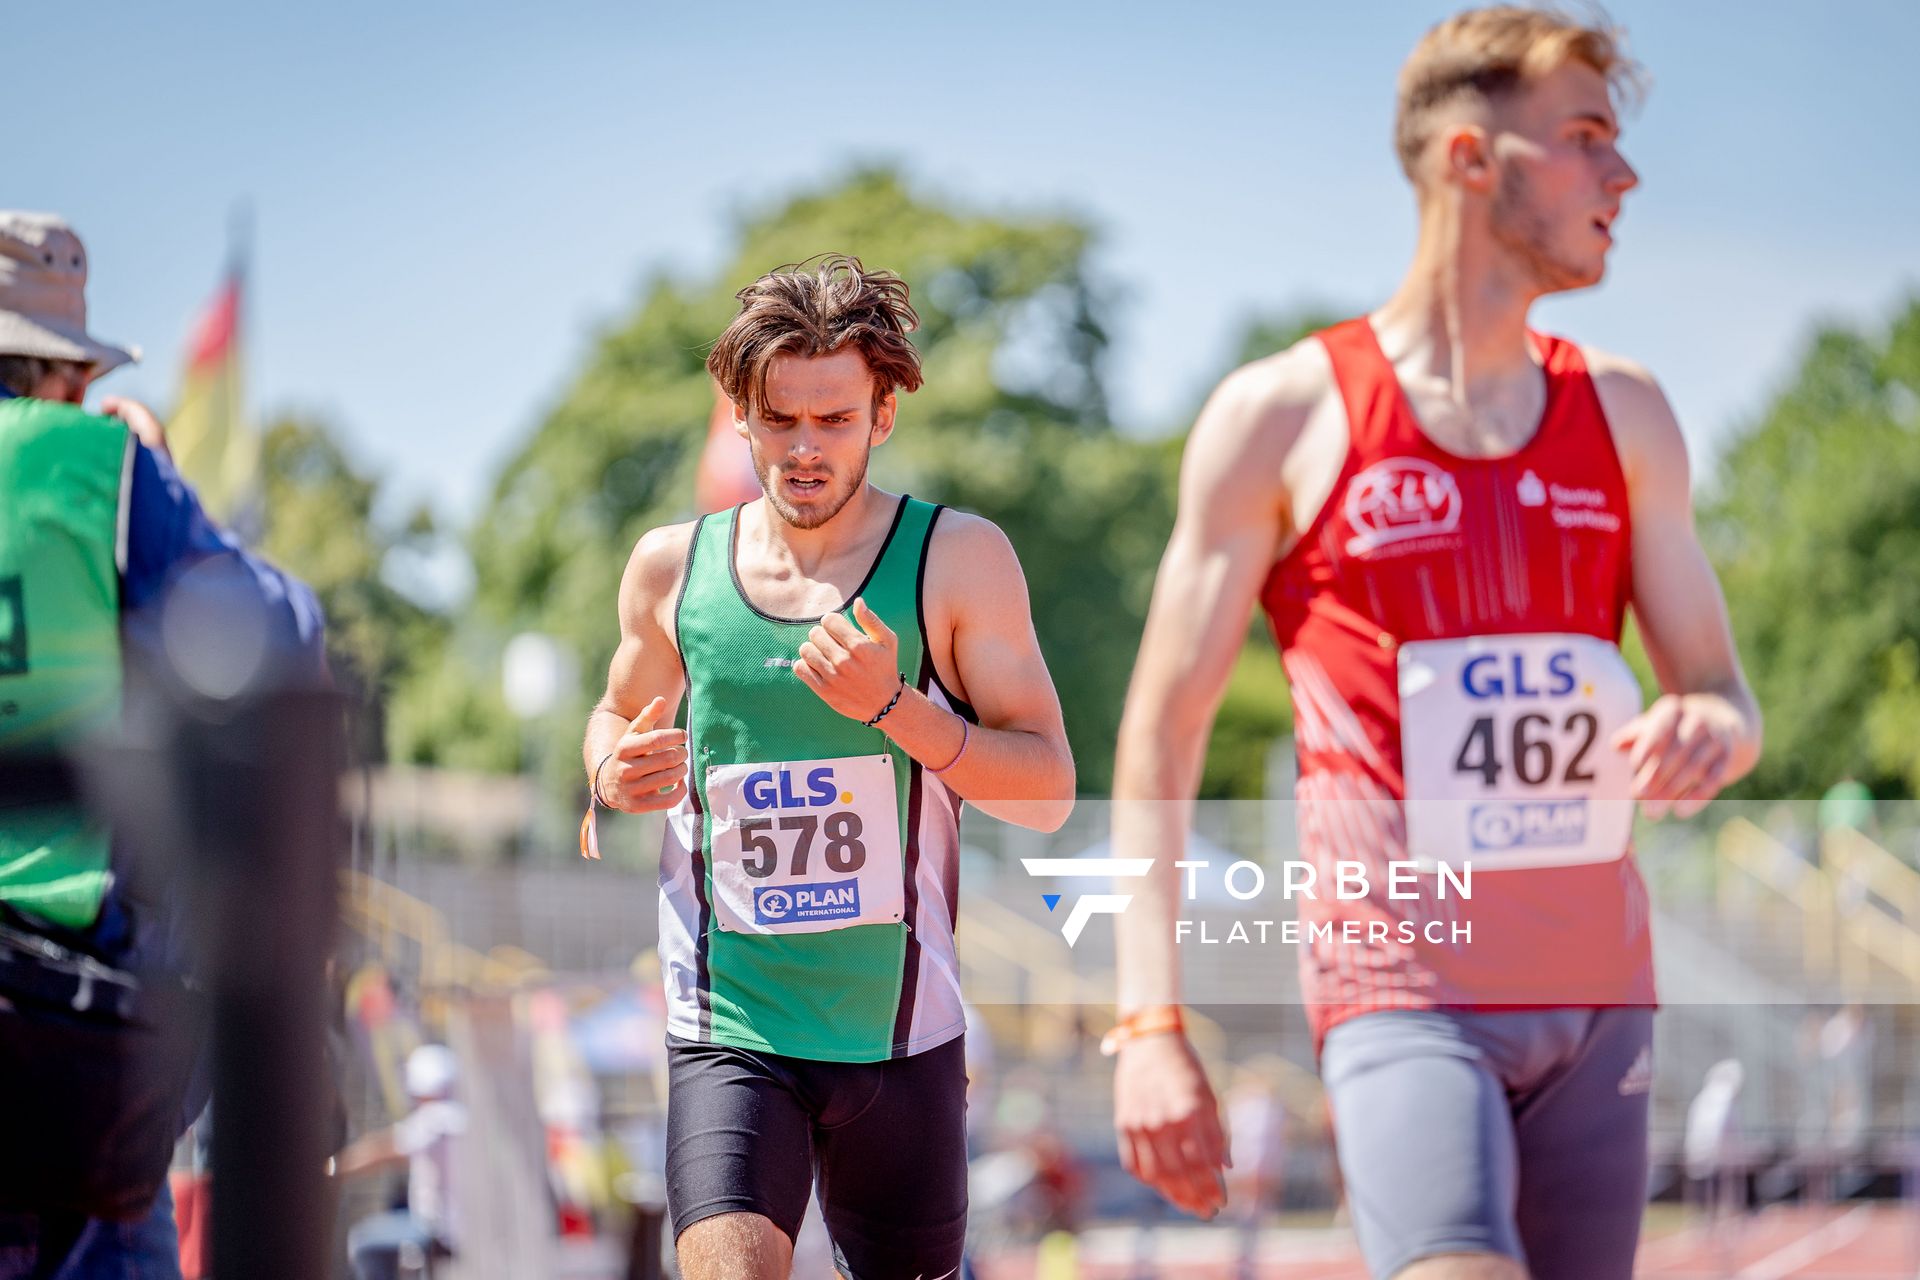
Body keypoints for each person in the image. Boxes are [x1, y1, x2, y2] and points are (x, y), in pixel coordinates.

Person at [1105, 10, 1762, 1279]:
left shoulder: (1626, 412)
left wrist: (1712, 727)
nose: (1623, 176)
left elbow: (1724, 691)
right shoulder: (1283, 415)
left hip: (1598, 996)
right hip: (1403, 982)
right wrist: (1147, 1020)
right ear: (1471, 158)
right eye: (1583, 140)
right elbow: (1159, 731)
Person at [580, 253, 1075, 1280]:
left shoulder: (956, 558)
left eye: (835, 421)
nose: (805, 449)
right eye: (781, 419)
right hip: (730, 1021)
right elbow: (615, 715)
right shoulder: (672, 568)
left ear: (883, 413)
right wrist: (611, 770)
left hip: (902, 1036)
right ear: (742, 414)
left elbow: (1047, 789)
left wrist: (896, 709)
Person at [0, 211, 327, 1279]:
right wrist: (155, 474)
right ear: (60, 373)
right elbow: (275, 637)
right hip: (61, 1011)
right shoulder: (95, 465)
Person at [334, 1044, 468, 1280]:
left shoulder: (436, 1119)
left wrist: (335, 1169)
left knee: (363, 1242)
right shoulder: (456, 1117)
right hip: (446, 1224)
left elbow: (383, 1151)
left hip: (433, 1225)